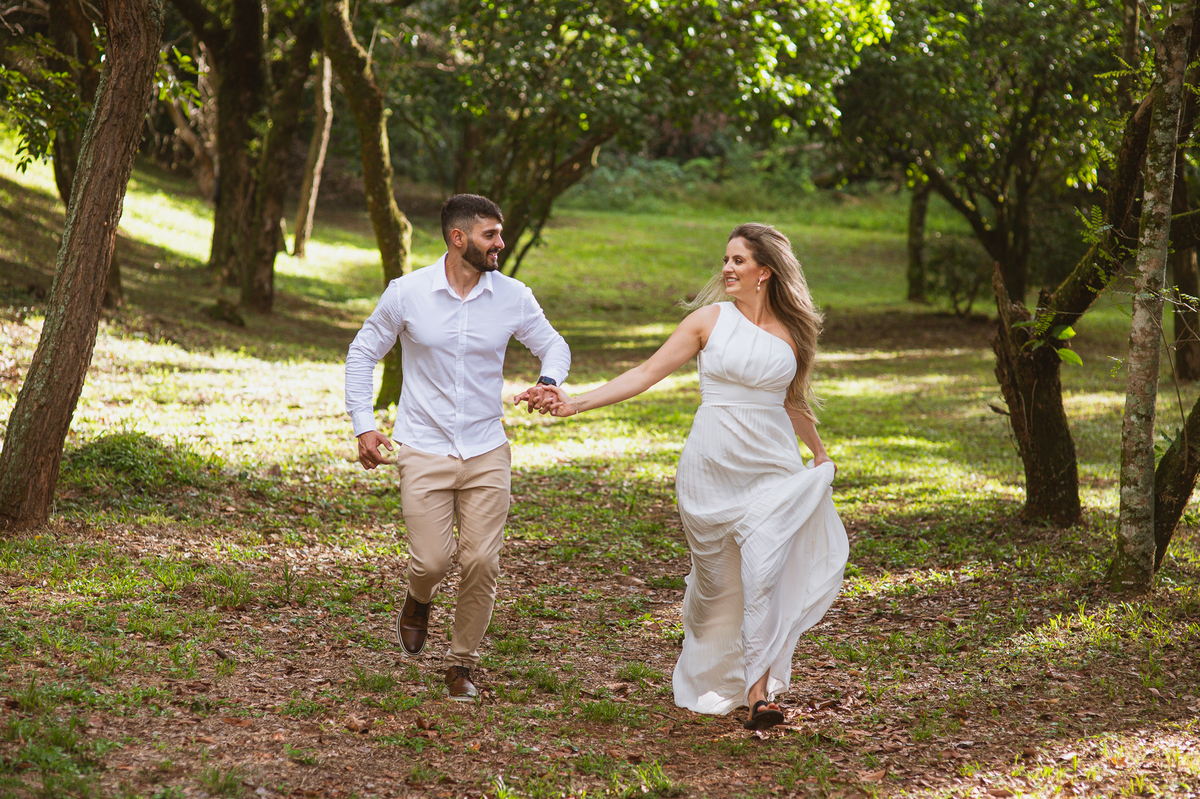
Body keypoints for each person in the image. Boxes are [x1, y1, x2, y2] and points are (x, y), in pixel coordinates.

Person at [520, 223, 848, 730]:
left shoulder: (791, 333)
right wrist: (575, 404)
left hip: (773, 465)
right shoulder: (708, 321)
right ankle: (713, 663)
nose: (727, 269)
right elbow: (646, 373)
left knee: (764, 572)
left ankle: (759, 694)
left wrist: (820, 455)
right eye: (726, 259)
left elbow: (793, 402)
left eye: (738, 260)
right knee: (717, 589)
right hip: (713, 466)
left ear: (766, 270)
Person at [346, 194, 570, 701]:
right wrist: (364, 424)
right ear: (458, 238)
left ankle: (461, 663)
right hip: (423, 447)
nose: (500, 243)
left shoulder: (512, 295)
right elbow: (363, 352)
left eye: (500, 233)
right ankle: (418, 597)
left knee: (481, 563)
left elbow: (554, 344)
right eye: (491, 234)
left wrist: (549, 379)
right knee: (430, 562)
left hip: (487, 449)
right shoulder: (407, 294)